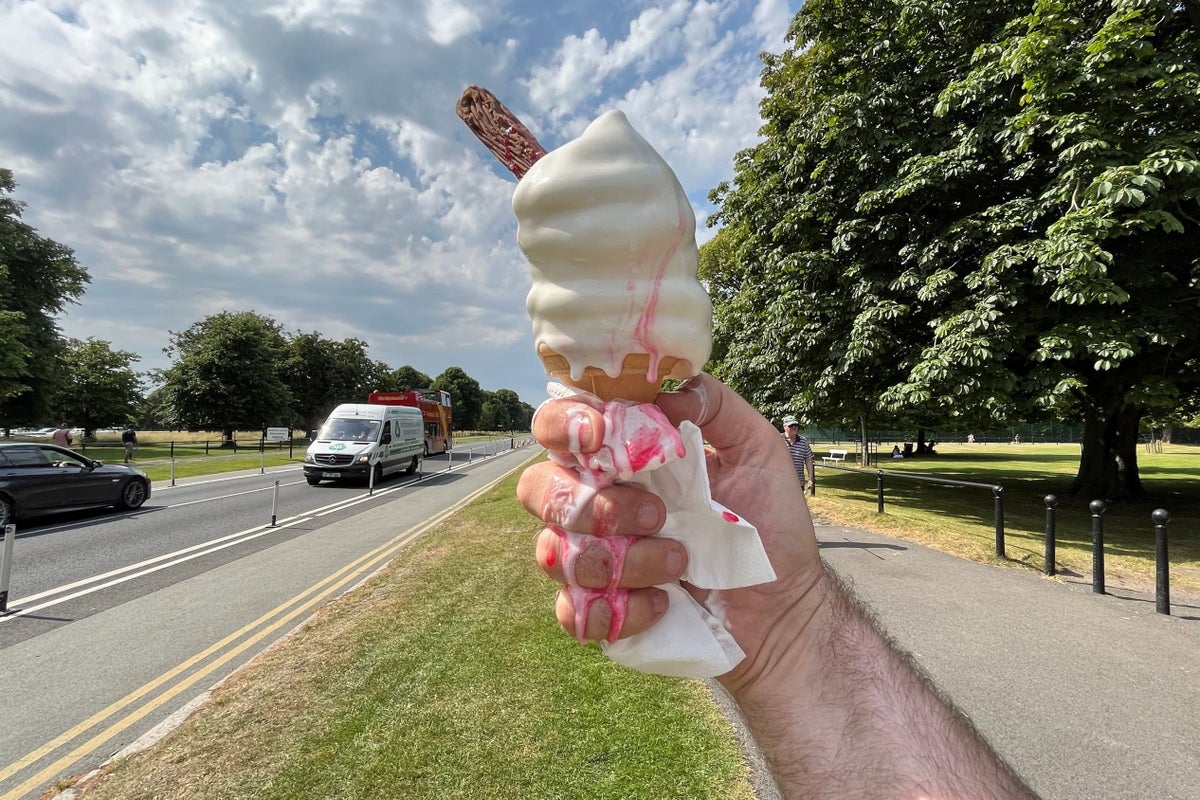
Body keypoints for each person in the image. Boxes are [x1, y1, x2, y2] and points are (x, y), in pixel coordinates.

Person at [516, 374, 1039, 799]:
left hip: (783, 518)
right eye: (786, 427)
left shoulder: (800, 447)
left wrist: (793, 604)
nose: (788, 431)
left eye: (790, 427)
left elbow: (802, 465)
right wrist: (785, 630)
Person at [781, 415, 814, 494]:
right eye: (791, 425)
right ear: (784, 427)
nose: (794, 427)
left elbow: (809, 460)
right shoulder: (778, 439)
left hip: (798, 483)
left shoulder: (803, 441)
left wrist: (810, 479)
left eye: (796, 425)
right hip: (781, 483)